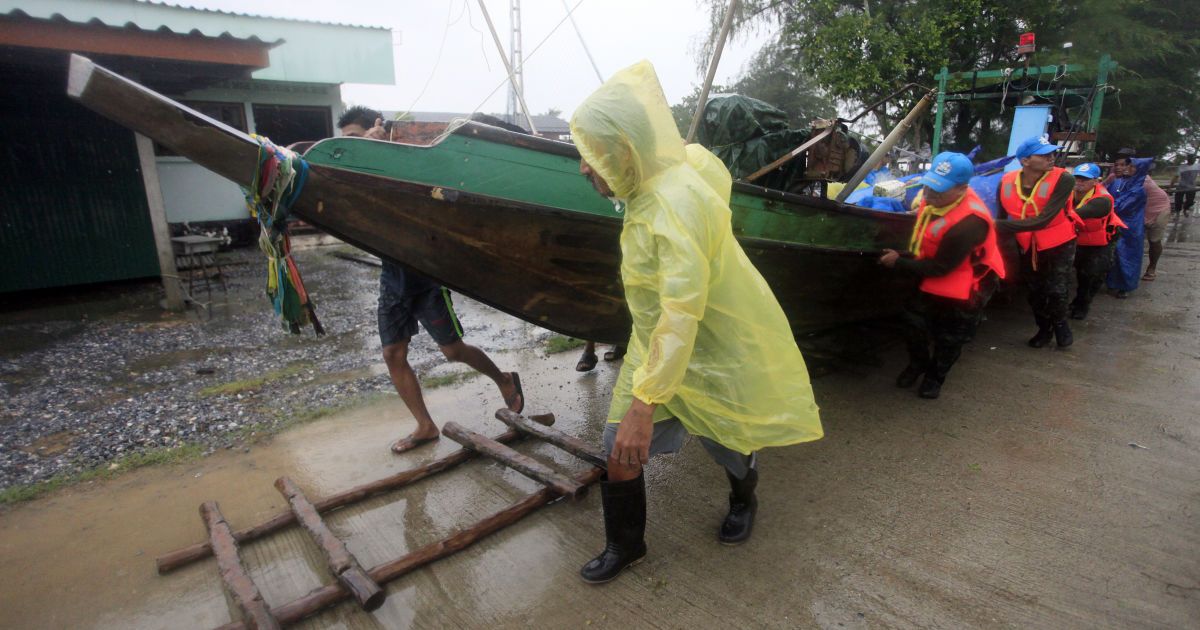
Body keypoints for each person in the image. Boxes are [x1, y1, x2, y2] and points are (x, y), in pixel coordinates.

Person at [569, 61, 823, 584]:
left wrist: (645, 404)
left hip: (708, 349)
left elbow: (682, 310)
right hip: (655, 346)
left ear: (624, 150)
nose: (583, 169)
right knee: (619, 447)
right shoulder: (661, 176)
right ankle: (626, 544)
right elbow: (708, 165)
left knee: (729, 444)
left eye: (591, 155)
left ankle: (744, 498)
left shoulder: (673, 207)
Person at [337, 106, 524, 453]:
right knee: (393, 353)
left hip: (424, 272)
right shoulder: (352, 169)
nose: (348, 145)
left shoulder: (405, 159)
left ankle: (504, 378)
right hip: (392, 275)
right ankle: (425, 426)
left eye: (354, 137)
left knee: (453, 351)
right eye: (344, 140)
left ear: (377, 130)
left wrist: (382, 148)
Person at [878, 152, 1005, 399]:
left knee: (950, 335)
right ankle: (918, 363)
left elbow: (941, 268)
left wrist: (898, 261)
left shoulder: (970, 223)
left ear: (962, 189)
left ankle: (935, 377)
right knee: (911, 321)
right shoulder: (932, 199)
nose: (930, 195)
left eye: (939, 191)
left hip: (969, 279)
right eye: (929, 186)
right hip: (935, 265)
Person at [995, 135, 1078, 348]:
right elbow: (1001, 216)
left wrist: (995, 225)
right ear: (1025, 161)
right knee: (1035, 291)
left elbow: (1043, 220)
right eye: (1044, 155)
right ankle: (1044, 328)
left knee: (1057, 289)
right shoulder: (1005, 181)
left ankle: (1060, 324)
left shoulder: (1064, 179)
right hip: (1027, 244)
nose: (1051, 158)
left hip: (1058, 242)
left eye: (1052, 153)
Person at [1068, 163, 1125, 320]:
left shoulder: (1102, 200)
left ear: (1095, 181)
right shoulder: (1069, 193)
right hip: (1080, 238)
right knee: (1080, 272)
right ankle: (1077, 301)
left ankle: (1083, 305)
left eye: (1084, 179)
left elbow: (1075, 215)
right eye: (1077, 178)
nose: (1079, 182)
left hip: (1101, 242)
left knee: (1092, 274)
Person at [1105, 153, 1152, 297]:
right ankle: (1112, 282)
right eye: (1128, 165)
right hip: (1116, 223)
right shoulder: (1120, 183)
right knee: (1114, 254)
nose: (1127, 168)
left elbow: (1120, 206)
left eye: (1132, 167)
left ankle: (1125, 286)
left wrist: (1102, 206)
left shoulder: (1138, 190)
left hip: (1130, 227)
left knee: (1127, 256)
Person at [1141, 164, 1171, 281]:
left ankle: (1152, 267)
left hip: (1159, 209)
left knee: (1154, 240)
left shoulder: (1143, 180)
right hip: (1142, 210)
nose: (1120, 168)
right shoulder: (1117, 177)